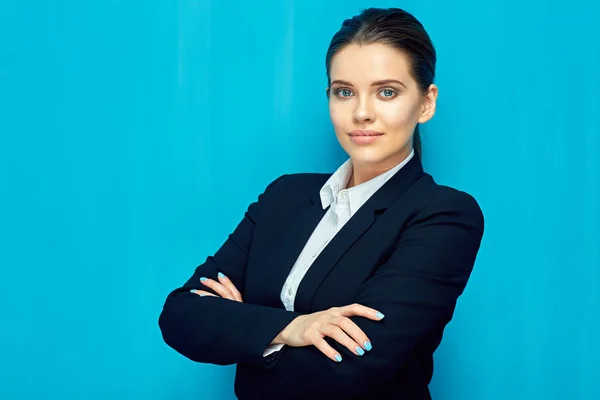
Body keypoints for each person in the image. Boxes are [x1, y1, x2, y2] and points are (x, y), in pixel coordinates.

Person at [159, 7, 484, 400]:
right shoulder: (284, 196)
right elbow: (179, 315)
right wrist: (292, 329)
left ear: (426, 103)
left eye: (387, 92)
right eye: (344, 91)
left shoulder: (443, 216)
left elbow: (351, 368)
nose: (362, 113)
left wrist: (244, 329)